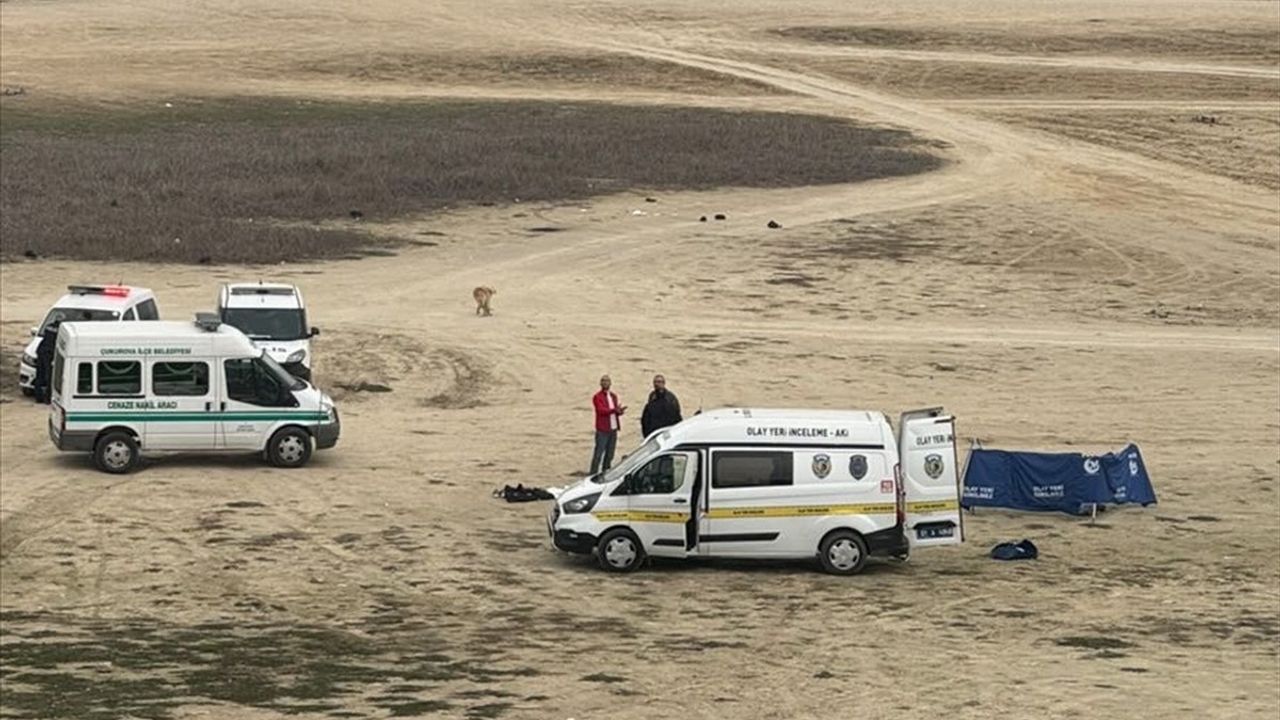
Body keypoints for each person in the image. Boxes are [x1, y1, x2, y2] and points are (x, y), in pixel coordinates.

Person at [590, 375, 626, 475]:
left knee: (610, 454)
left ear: (610, 383)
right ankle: (593, 474)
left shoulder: (613, 396)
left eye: (607, 381)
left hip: (613, 429)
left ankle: (606, 473)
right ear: (600, 383)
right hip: (602, 430)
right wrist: (614, 410)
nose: (605, 383)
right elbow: (601, 410)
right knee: (598, 454)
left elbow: (613, 411)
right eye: (603, 381)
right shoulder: (597, 397)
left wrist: (619, 412)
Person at [641, 374, 682, 438]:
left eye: (659, 382)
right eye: (655, 382)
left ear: (663, 383)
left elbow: (676, 413)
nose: (656, 384)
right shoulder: (652, 395)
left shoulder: (670, 397)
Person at [33, 320, 60, 404]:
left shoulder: (48, 326)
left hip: (41, 351)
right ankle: (47, 398)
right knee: (49, 376)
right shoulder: (60, 330)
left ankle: (38, 397)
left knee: (40, 375)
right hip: (49, 354)